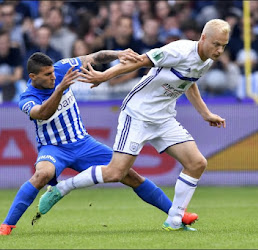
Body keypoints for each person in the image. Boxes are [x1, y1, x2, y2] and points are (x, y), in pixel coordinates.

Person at [40, 19, 230, 232]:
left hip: (163, 118)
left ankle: (175, 221)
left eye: (223, 45)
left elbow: (189, 83)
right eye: (216, 44)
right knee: (115, 173)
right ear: (203, 38)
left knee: (197, 163)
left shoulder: (206, 61)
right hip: (137, 113)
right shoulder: (179, 50)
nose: (220, 50)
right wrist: (104, 76)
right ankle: (62, 188)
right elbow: (139, 61)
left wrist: (206, 113)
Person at [0, 49, 198, 235]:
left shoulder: (62, 69)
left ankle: (177, 215)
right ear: (33, 77)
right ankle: (7, 225)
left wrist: (118, 53)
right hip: (54, 148)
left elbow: (95, 57)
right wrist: (60, 88)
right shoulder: (27, 98)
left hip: (84, 144)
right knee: (42, 175)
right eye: (47, 75)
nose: (53, 76)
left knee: (131, 176)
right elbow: (43, 113)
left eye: (53, 72)